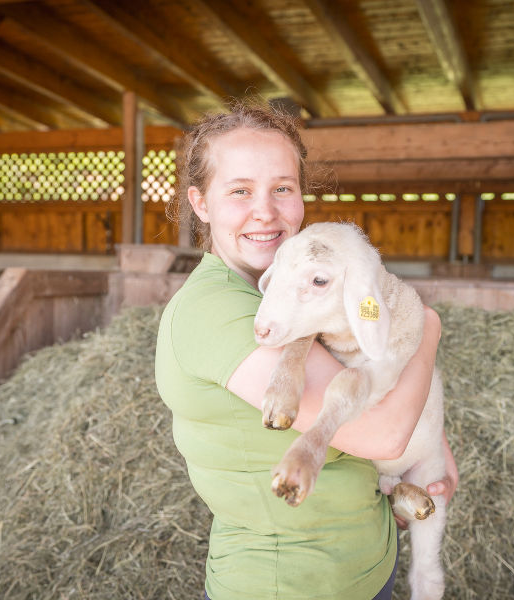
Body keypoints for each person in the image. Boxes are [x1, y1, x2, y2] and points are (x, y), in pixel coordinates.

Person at [155, 100, 458, 600]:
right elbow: (385, 434)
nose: (266, 212)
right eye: (239, 191)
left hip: (365, 565)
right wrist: (428, 330)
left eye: (282, 188)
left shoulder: (290, 289)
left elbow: (375, 373)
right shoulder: (219, 310)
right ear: (201, 203)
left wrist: (433, 443)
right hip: (290, 583)